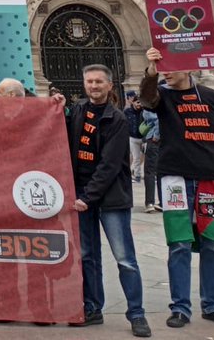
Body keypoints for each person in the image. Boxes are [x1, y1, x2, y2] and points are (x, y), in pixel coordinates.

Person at [141, 46, 214, 328]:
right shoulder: (162, 96)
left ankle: (212, 305)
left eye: (169, 67)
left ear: (187, 67)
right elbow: (146, 98)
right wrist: (151, 71)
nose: (166, 72)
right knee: (179, 244)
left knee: (213, 244)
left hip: (212, 178)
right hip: (174, 178)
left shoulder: (213, 98)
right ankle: (180, 308)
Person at [56, 66, 149, 337]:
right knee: (87, 256)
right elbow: (61, 136)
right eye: (89, 81)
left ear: (110, 86)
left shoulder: (117, 118)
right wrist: (59, 109)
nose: (93, 86)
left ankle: (137, 313)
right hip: (81, 195)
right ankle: (92, 307)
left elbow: (110, 165)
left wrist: (88, 196)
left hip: (110, 197)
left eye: (99, 82)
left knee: (125, 258)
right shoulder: (78, 111)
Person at [142, 107, 162, 213]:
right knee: (160, 172)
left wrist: (156, 135)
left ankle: (150, 202)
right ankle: (162, 201)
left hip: (154, 139)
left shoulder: (150, 104)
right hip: (165, 141)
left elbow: (159, 120)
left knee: (149, 172)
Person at [125, 92, 146, 182]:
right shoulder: (127, 111)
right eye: (137, 102)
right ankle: (137, 175)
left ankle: (151, 174)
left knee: (147, 156)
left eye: (140, 102)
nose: (139, 104)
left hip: (144, 138)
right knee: (136, 157)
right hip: (133, 138)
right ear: (133, 102)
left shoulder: (145, 111)